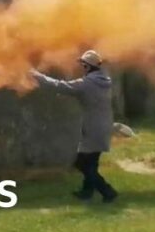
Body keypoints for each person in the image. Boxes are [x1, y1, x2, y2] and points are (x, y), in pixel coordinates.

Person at [32, 50, 118, 203]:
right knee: (91, 162)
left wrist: (36, 76)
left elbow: (59, 86)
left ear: (87, 66)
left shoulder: (87, 83)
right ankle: (87, 191)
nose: (81, 66)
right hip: (103, 125)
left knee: (81, 163)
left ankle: (107, 191)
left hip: (92, 127)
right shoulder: (104, 80)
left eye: (83, 64)